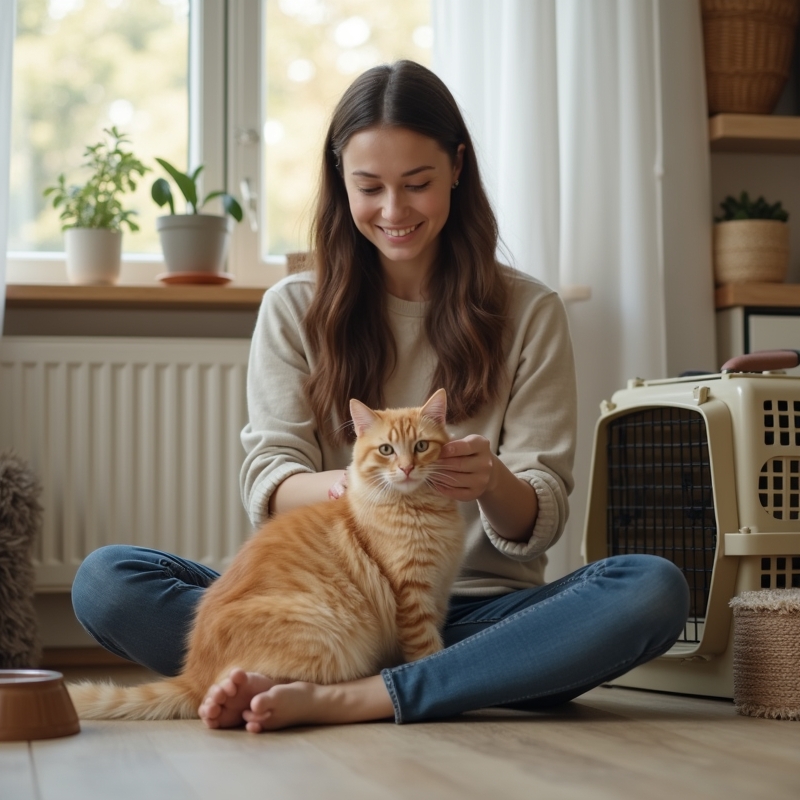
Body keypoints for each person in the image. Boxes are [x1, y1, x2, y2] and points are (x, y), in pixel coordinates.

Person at [72, 60, 689, 732]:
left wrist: (490, 481)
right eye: (370, 187)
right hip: (334, 605)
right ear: (341, 180)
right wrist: (358, 487)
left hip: (476, 611)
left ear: (457, 167)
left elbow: (539, 515)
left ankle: (356, 694)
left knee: (652, 589)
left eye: (417, 184)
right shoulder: (293, 307)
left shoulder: (530, 309)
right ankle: (438, 682)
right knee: (108, 581)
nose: (394, 212)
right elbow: (271, 479)